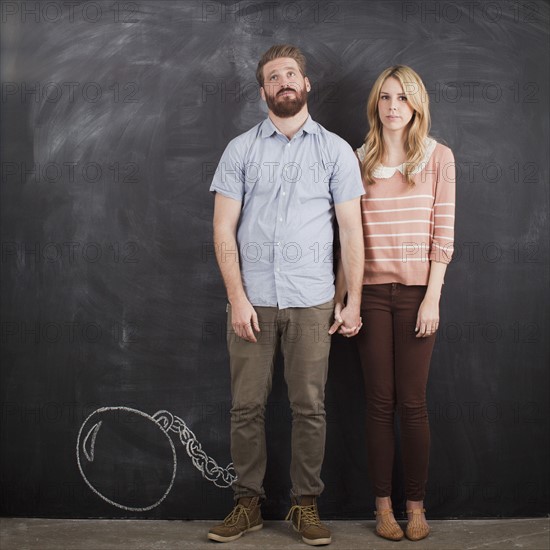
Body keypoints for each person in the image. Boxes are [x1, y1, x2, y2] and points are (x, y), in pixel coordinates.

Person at [207, 44, 365, 546]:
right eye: (274, 77)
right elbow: (222, 230)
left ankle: (305, 506)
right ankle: (247, 504)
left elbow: (351, 233)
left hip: (313, 300)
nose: (284, 82)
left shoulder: (336, 151)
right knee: (246, 408)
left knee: (309, 407)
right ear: (263, 92)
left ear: (307, 84)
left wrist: (352, 299)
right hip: (253, 301)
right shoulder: (241, 150)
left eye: (291, 74)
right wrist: (236, 297)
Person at [335, 65, 455, 541]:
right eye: (385, 98)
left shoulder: (439, 158)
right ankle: (382, 507)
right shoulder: (358, 158)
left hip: (415, 296)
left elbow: (442, 235)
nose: (392, 107)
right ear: (375, 105)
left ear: (416, 105)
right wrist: (346, 300)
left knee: (414, 404)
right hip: (371, 296)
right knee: (379, 404)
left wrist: (433, 298)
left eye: (402, 98)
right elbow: (349, 241)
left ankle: (416, 506)